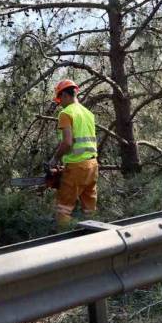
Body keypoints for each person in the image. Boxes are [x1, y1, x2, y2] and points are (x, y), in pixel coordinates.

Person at [48, 79, 99, 228]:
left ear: (64, 95)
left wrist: (55, 159)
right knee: (89, 208)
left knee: (64, 208)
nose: (60, 104)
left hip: (77, 167)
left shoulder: (66, 113)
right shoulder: (88, 113)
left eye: (60, 99)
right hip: (92, 165)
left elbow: (67, 143)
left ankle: (63, 236)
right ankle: (95, 236)